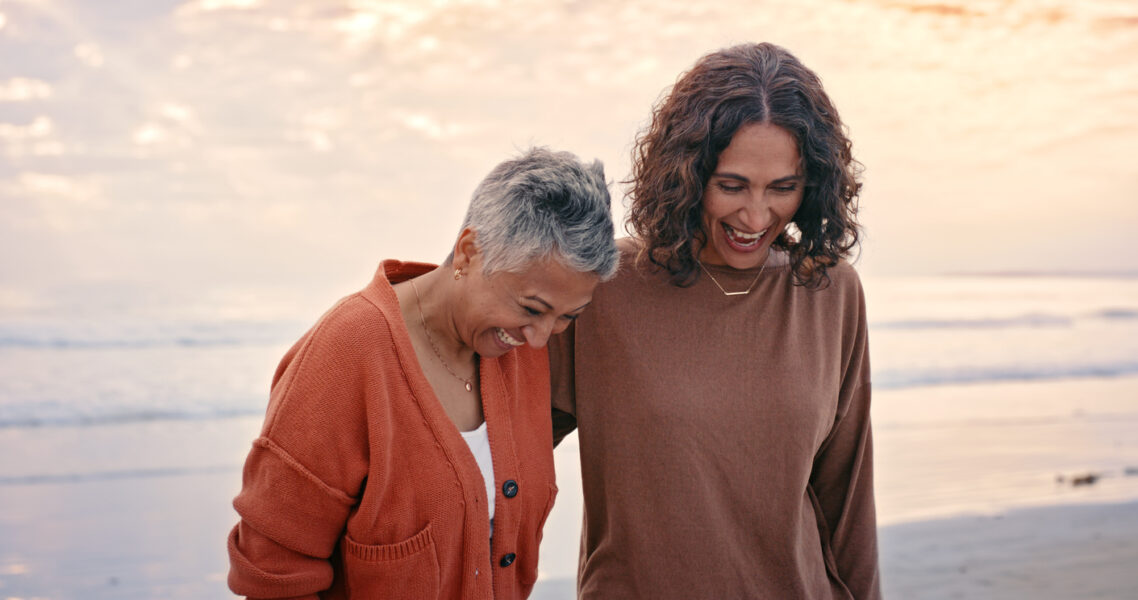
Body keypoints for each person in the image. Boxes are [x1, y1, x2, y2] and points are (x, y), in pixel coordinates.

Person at [550, 43, 880, 598]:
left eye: (783, 188)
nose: (756, 216)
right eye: (731, 186)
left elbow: (847, 498)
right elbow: (498, 459)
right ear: (685, 173)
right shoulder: (605, 287)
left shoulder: (830, 291)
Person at [227, 147, 620, 599]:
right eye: (532, 309)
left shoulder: (524, 346)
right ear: (470, 252)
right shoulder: (347, 353)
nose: (540, 338)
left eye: (568, 316)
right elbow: (272, 569)